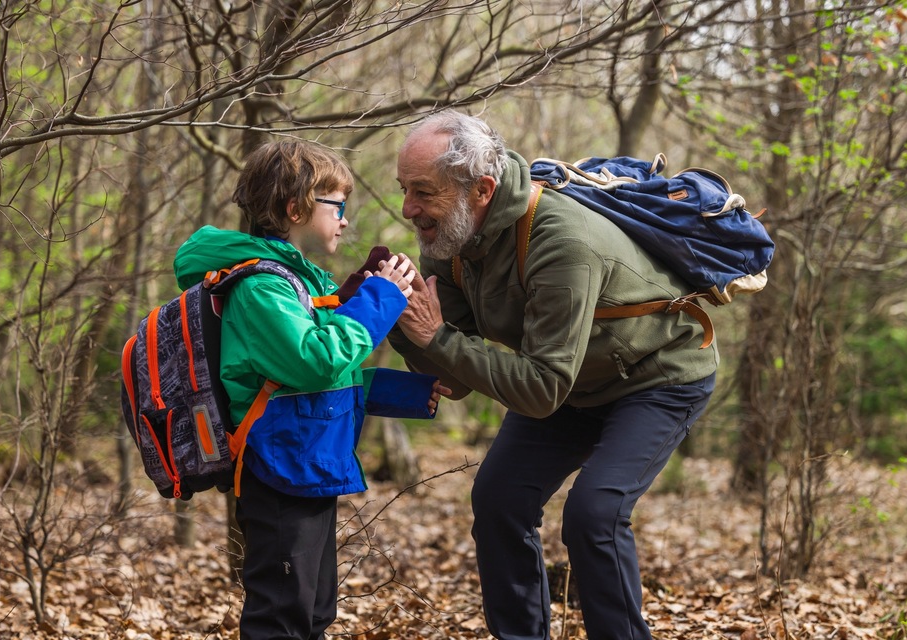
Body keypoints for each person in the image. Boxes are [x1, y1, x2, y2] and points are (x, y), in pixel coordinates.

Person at [388, 111, 718, 640]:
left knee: (595, 514)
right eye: (405, 190)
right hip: (570, 381)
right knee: (498, 499)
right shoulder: (452, 246)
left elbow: (539, 390)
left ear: (482, 189)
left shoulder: (560, 241)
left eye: (423, 192)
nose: (409, 209)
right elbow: (456, 381)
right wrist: (403, 323)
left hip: (657, 377)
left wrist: (437, 337)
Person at [173, 139, 449, 640]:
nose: (344, 220)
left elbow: (319, 384)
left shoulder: (300, 285)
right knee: (281, 618)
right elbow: (317, 363)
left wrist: (410, 393)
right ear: (295, 208)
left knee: (314, 614)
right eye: (337, 206)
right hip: (278, 470)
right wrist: (379, 296)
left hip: (310, 466)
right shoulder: (262, 289)